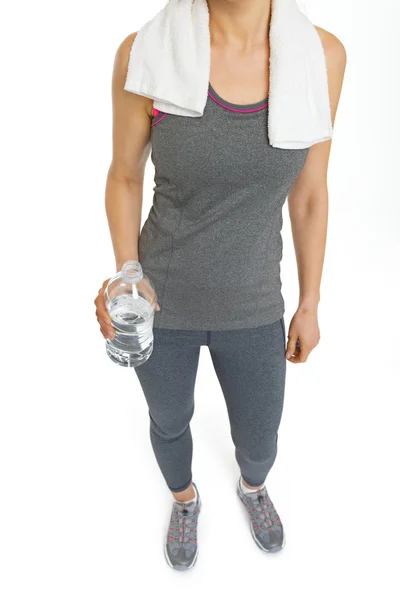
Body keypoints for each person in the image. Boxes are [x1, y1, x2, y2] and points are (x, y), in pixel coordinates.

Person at [94, 0, 346, 570]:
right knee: (169, 422)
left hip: (254, 301)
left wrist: (310, 301)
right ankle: (184, 500)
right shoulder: (143, 54)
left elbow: (310, 194)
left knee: (260, 444)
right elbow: (124, 174)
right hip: (161, 302)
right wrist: (127, 274)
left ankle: (252, 490)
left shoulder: (323, 57)